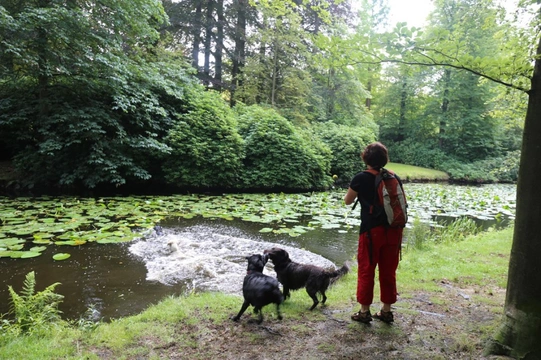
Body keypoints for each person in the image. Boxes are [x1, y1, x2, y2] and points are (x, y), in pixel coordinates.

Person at [344, 142, 404, 324]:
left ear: (365, 158)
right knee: (388, 271)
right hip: (394, 231)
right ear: (384, 159)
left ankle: (364, 312)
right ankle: (386, 311)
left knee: (366, 270)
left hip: (371, 233)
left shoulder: (361, 178)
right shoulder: (394, 177)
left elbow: (347, 201)